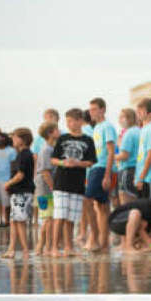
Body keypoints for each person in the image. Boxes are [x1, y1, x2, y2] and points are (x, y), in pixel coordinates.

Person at [51, 109, 96, 255]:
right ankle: (54, 248)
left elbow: (90, 162)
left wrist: (77, 163)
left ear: (80, 121)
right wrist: (64, 163)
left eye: (72, 121)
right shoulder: (62, 138)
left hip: (77, 184)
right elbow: (53, 159)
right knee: (60, 216)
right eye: (67, 121)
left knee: (71, 217)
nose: (69, 124)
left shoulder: (88, 140)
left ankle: (68, 247)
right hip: (61, 183)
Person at [86, 98, 117, 251]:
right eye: (90, 109)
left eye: (94, 109)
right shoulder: (96, 128)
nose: (91, 112)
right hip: (94, 168)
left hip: (102, 168)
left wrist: (107, 175)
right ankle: (103, 242)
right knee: (101, 206)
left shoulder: (107, 127)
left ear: (102, 109)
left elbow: (111, 151)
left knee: (88, 201)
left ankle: (98, 238)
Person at [2, 128, 35, 257]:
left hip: (22, 192)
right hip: (19, 192)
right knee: (14, 220)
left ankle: (25, 250)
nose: (13, 140)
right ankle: (11, 249)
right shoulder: (21, 154)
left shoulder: (24, 154)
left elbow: (20, 175)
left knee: (19, 221)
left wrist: (8, 183)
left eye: (15, 137)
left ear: (23, 140)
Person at [34, 122, 57, 256]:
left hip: (45, 187)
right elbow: (45, 172)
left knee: (48, 218)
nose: (59, 131)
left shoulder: (50, 148)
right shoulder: (46, 149)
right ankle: (45, 246)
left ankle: (41, 247)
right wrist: (53, 188)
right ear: (50, 133)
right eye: (56, 129)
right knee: (48, 218)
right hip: (45, 188)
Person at [134, 99, 151, 197]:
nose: (138, 114)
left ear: (149, 112)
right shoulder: (144, 129)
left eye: (141, 111)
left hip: (150, 178)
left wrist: (141, 177)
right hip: (143, 178)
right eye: (137, 111)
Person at [114, 107, 140, 204]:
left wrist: (111, 157)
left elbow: (124, 155)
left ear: (129, 118)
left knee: (126, 203)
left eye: (122, 117)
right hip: (137, 170)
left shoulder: (128, 133)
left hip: (127, 170)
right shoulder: (139, 130)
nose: (119, 120)